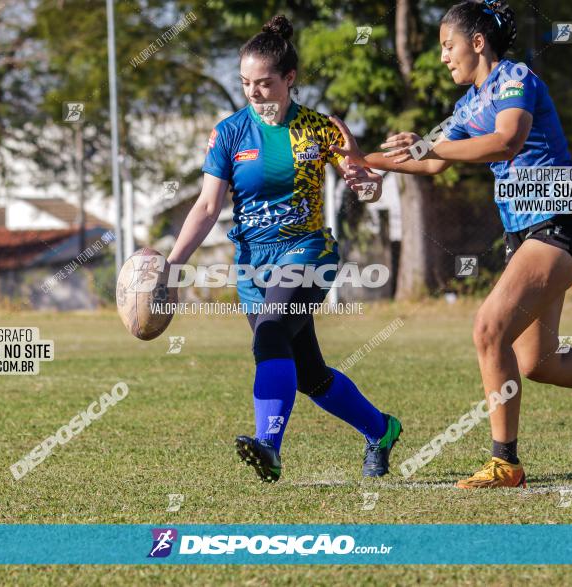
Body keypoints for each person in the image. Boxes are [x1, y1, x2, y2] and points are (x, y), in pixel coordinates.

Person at [329, 0, 572, 488]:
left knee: (489, 327)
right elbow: (431, 163)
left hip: (561, 219)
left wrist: (428, 146)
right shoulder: (468, 104)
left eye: (448, 46)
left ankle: (505, 462)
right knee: (539, 362)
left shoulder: (515, 79)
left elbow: (507, 140)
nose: (444, 57)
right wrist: (368, 161)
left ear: (477, 42)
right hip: (524, 233)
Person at [167, 14, 402, 483]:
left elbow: (365, 186)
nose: (252, 92)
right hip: (253, 267)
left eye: (264, 82)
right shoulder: (229, 133)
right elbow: (208, 205)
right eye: (245, 83)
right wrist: (171, 267)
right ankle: (381, 429)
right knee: (309, 374)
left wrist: (366, 184)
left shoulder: (321, 129)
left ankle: (268, 447)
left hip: (308, 252)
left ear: (289, 79)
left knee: (269, 335)